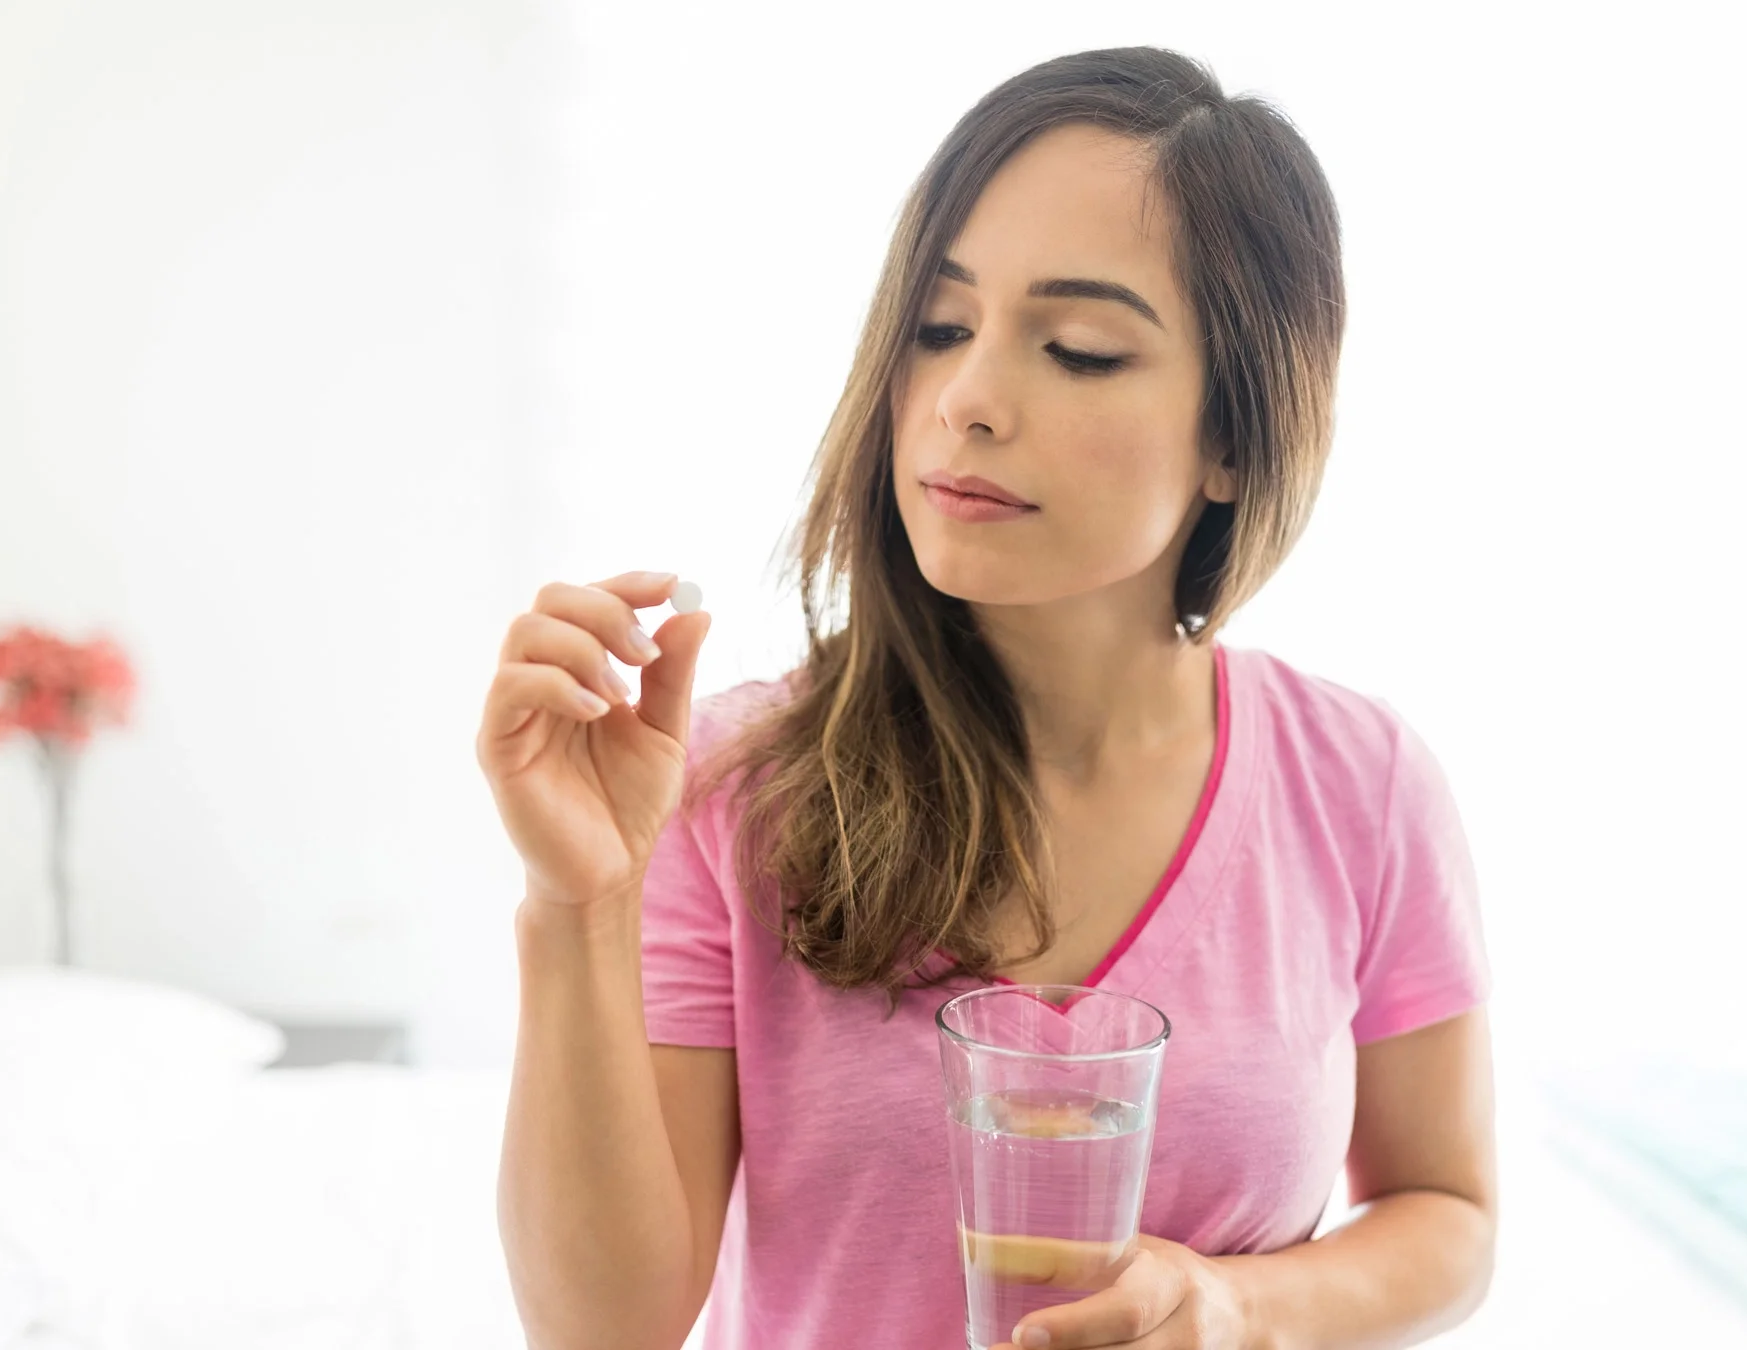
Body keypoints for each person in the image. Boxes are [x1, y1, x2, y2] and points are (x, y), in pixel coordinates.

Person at [480, 46, 1494, 1350]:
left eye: (1077, 349)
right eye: (940, 327)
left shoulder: (1362, 783)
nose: (965, 401)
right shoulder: (731, 779)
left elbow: (1449, 1212)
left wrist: (1242, 1305)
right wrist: (578, 906)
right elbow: (603, 1329)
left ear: (1237, 436)